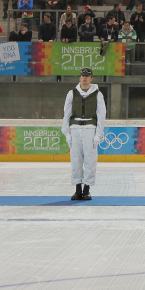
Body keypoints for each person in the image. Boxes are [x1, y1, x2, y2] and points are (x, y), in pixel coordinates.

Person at [61, 68, 106, 201]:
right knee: (75, 159)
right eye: (83, 76)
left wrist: (98, 134)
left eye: (87, 76)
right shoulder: (72, 93)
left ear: (91, 78)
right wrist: (67, 133)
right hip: (75, 128)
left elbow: (101, 115)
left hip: (90, 128)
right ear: (80, 78)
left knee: (90, 160)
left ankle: (87, 189)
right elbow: (66, 114)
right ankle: (77, 189)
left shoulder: (98, 94)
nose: (84, 78)